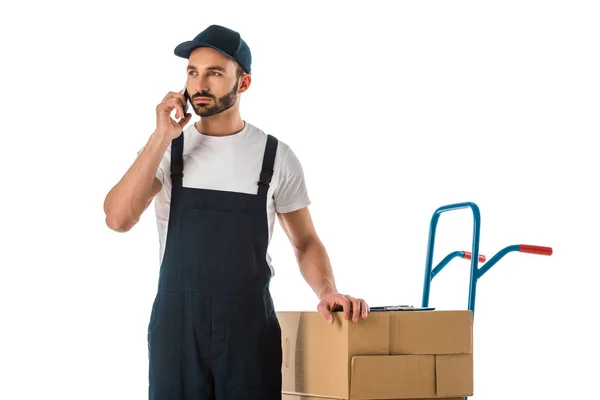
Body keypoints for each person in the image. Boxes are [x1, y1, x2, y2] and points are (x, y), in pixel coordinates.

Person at [103, 24, 368, 399]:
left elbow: (305, 241)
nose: (199, 84)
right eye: (192, 72)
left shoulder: (275, 157)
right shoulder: (168, 151)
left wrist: (327, 291)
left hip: (248, 328)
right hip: (178, 327)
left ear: (242, 84)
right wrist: (162, 135)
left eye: (214, 73)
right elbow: (117, 218)